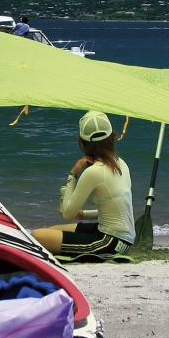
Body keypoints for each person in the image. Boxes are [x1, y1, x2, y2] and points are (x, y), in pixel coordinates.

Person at [32, 110, 134, 259]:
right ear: (111, 137)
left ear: (83, 142)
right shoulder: (121, 163)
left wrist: (73, 174)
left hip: (110, 242)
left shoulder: (94, 171)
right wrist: (84, 214)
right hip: (122, 238)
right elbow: (117, 207)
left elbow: (67, 214)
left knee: (37, 236)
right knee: (52, 230)